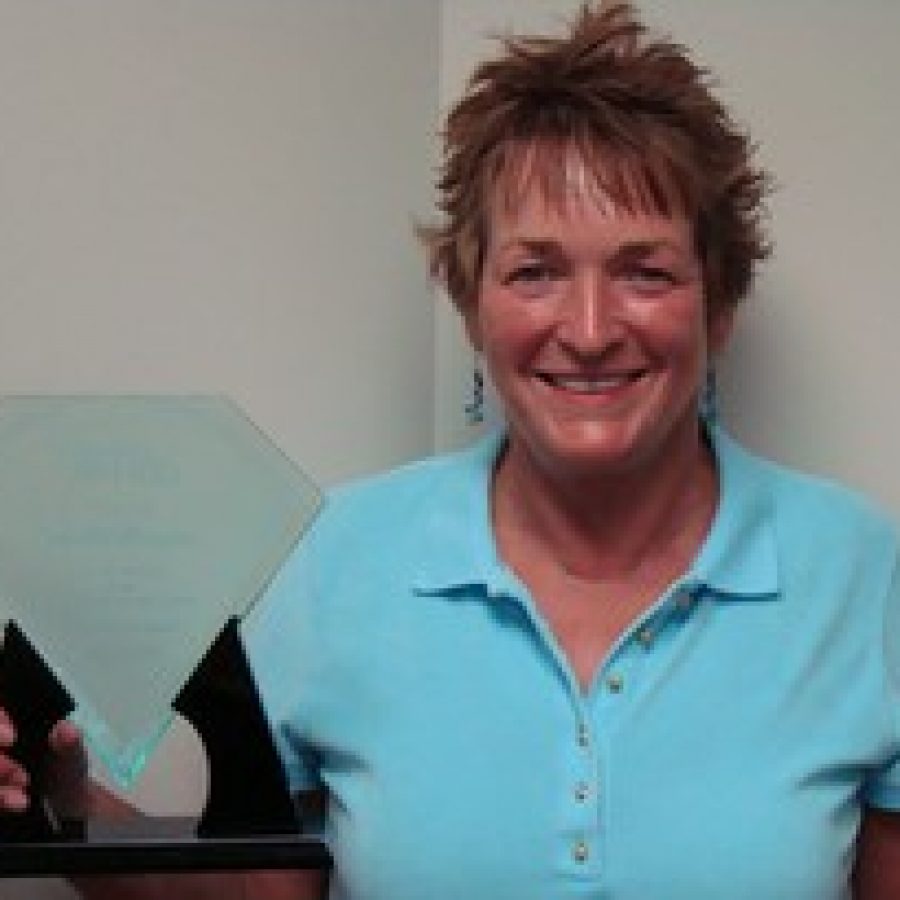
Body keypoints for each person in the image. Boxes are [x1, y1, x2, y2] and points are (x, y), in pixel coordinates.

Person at [2, 3, 900, 897]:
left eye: (645, 271)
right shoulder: (329, 558)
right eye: (535, 271)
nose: (588, 330)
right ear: (472, 305)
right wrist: (61, 798)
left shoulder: (868, 580)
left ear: (719, 307)